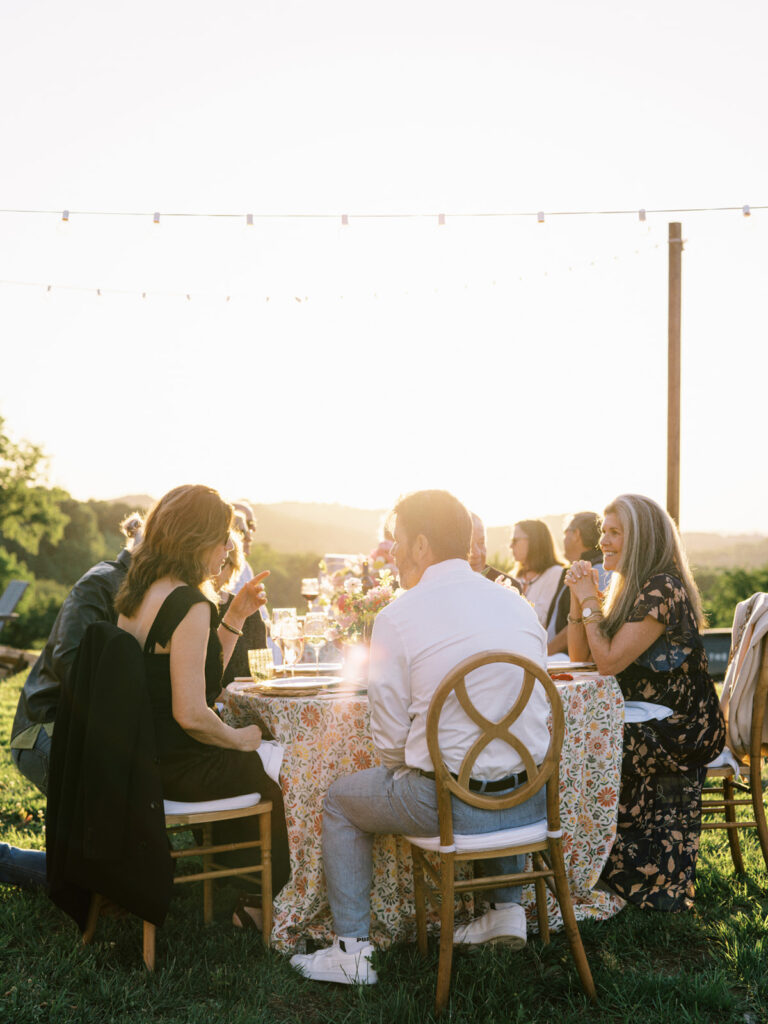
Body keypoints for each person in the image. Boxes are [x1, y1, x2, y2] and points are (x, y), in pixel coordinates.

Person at [290, 489, 549, 985]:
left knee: (341, 800)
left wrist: (410, 765)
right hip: (530, 800)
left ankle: (350, 950)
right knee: (492, 758)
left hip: (450, 807)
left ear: (423, 545)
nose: (390, 552)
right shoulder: (516, 606)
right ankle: (505, 908)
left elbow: (389, 741)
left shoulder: (399, 616)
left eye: (397, 541)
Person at [114, 485, 291, 927]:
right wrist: (238, 738)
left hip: (142, 762)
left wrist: (235, 617)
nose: (228, 550)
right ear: (197, 540)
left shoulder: (140, 594)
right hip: (180, 768)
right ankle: (270, 899)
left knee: (263, 760)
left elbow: (192, 673)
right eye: (223, 538)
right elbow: (191, 712)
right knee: (288, 768)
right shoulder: (189, 604)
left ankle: (251, 885)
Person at [565, 493, 725, 911]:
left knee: (584, 748)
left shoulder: (662, 588)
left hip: (683, 726)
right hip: (648, 716)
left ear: (643, 539)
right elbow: (581, 657)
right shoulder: (628, 588)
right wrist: (576, 596)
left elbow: (608, 661)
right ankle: (579, 860)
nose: (603, 541)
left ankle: (585, 863)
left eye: (615, 532)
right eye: (604, 531)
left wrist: (588, 599)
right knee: (580, 739)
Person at [10, 511, 144, 795]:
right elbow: (69, 661)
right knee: (109, 799)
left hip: (89, 726)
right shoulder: (99, 582)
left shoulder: (145, 589)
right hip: (45, 726)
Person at [549, 511, 607, 656]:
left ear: (576, 535)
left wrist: (545, 653)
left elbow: (583, 618)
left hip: (565, 661)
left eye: (565, 533)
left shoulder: (594, 570)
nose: (563, 539)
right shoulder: (580, 568)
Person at [510, 519, 565, 629]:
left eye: (515, 540)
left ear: (534, 541)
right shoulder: (515, 577)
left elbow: (541, 618)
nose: (511, 546)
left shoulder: (555, 573)